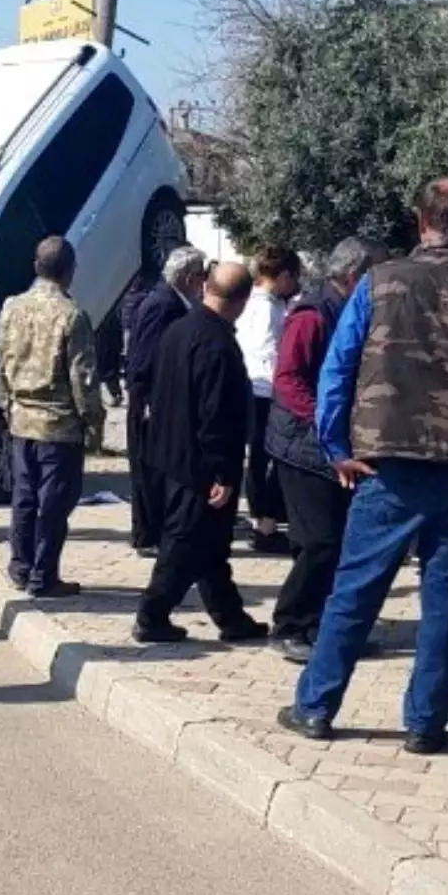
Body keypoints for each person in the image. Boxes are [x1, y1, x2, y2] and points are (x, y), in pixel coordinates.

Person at [279, 178, 448, 753]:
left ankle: (316, 707)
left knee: (354, 592)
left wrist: (335, 448)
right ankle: (426, 724)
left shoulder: (380, 282)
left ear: (417, 219)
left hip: (387, 465)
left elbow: (336, 371)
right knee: (446, 602)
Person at [132, 261, 267, 646]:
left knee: (210, 546)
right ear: (242, 301)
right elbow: (215, 416)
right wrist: (223, 474)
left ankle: (230, 617)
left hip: (170, 453)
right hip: (199, 466)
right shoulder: (217, 344)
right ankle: (151, 614)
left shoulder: (179, 329)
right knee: (185, 542)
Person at [265, 237, 377, 661]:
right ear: (353, 277)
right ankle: (290, 624)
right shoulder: (311, 316)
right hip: (302, 446)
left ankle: (324, 627)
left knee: (341, 542)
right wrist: (325, 418)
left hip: (333, 445)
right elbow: (288, 379)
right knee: (320, 542)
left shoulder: (349, 311)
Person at [0, 235, 103, 599]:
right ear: (69, 270)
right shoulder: (72, 315)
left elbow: (2, 361)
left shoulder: (12, 307)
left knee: (24, 498)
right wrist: (94, 421)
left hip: (21, 419)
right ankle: (44, 575)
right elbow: (82, 378)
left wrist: (9, 402)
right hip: (58, 425)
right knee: (54, 504)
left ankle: (20, 566)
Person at [124, 247, 206, 552]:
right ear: (187, 277)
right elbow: (143, 357)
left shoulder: (175, 303)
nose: (204, 283)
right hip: (150, 402)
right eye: (200, 276)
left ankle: (158, 530)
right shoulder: (162, 305)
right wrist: (145, 399)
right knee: (148, 470)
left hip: (162, 400)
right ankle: (148, 535)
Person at [236, 245, 301, 550]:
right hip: (263, 390)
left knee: (260, 457)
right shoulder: (267, 309)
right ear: (283, 276)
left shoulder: (254, 303)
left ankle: (265, 518)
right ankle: (264, 523)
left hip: (254, 388)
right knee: (264, 457)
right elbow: (267, 352)